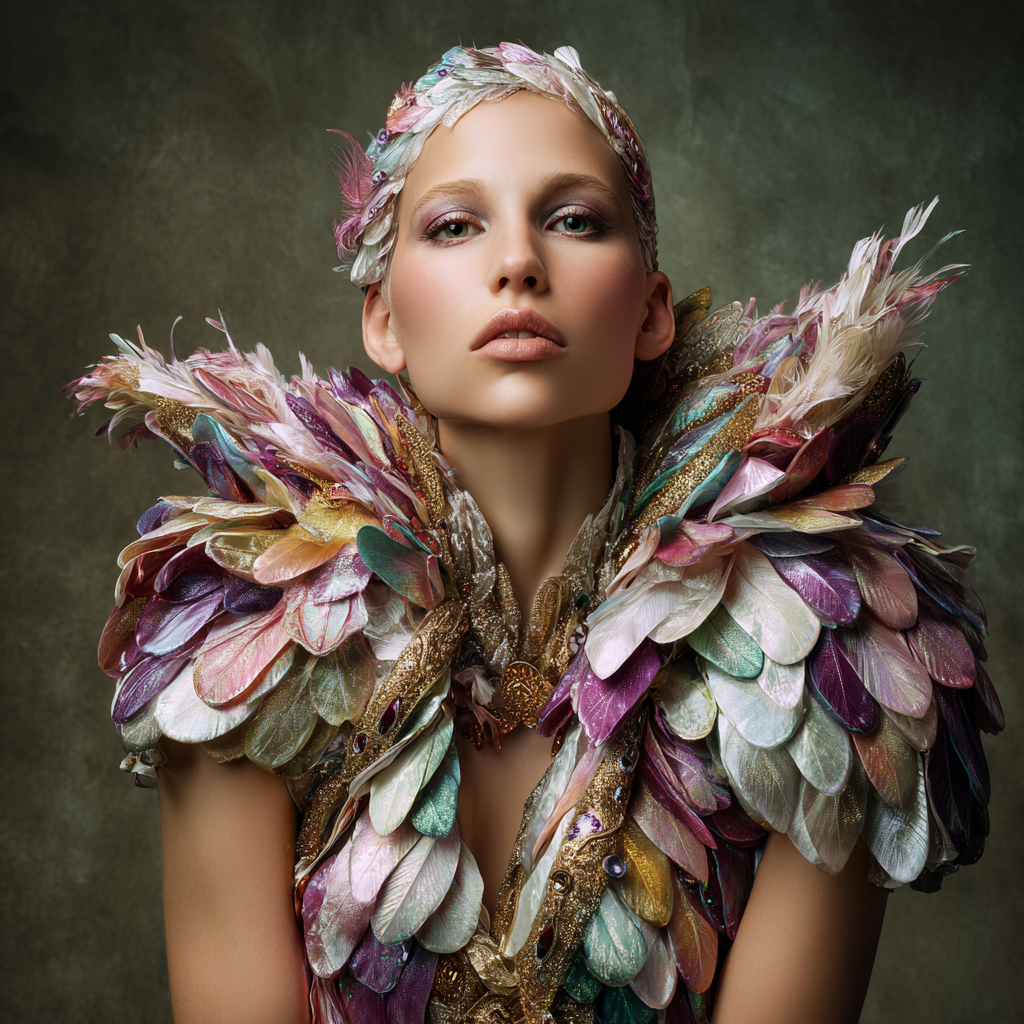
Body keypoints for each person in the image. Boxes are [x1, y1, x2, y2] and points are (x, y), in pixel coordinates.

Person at [67, 43, 998, 1024]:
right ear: (384, 320)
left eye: (573, 220)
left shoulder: (820, 649)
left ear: (650, 313)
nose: (517, 262)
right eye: (455, 225)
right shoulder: (243, 631)